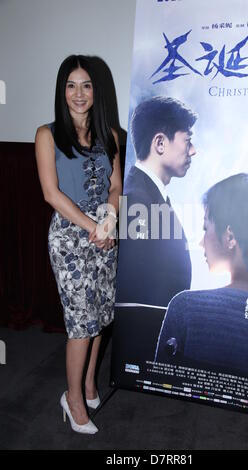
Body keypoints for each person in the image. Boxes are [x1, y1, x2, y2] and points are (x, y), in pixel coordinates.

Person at [35, 55, 122, 434]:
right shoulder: (47, 134)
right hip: (70, 238)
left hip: (104, 232)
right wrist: (94, 226)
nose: (79, 93)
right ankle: (71, 400)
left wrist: (110, 219)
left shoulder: (111, 135)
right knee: (81, 324)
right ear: (62, 91)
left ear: (95, 90)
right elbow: (52, 194)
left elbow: (115, 187)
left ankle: (88, 384)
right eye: (71, 85)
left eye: (86, 85)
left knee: (101, 315)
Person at [155, 173, 248, 386]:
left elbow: (162, 384)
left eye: (206, 228)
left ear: (230, 236)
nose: (201, 241)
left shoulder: (187, 309)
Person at [116, 96, 197, 308]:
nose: (193, 150)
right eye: (187, 141)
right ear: (160, 143)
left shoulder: (148, 194)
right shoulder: (138, 200)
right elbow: (136, 291)